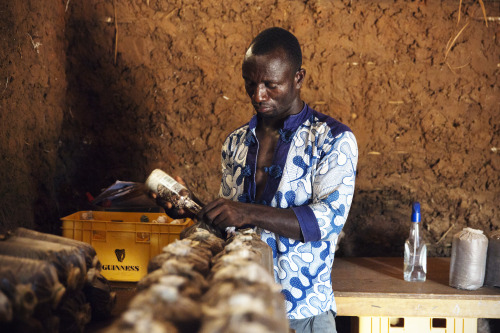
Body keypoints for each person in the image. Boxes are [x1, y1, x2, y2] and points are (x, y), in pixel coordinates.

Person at [166, 27, 358, 333]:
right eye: (250, 84)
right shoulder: (236, 143)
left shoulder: (332, 140)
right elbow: (230, 227)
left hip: (304, 313)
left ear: (298, 78)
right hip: (241, 314)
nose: (258, 95)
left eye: (271, 85)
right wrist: (193, 209)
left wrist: (246, 211)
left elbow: (325, 223)